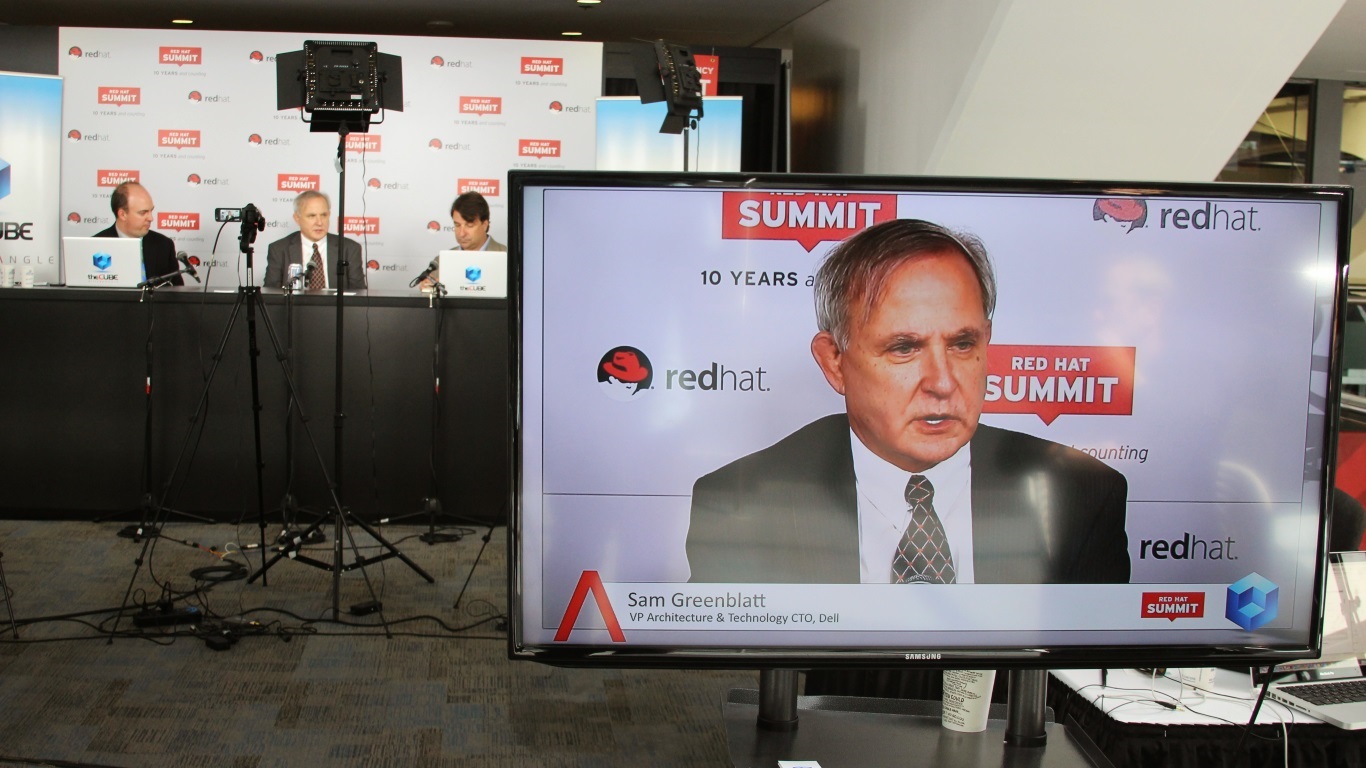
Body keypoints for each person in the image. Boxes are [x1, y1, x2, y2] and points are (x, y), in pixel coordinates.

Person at [685, 218, 1130, 584]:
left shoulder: (1080, 496)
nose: (942, 383)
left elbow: (1090, 667)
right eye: (904, 348)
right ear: (835, 361)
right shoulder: (739, 508)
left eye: (962, 344)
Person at [263, 190, 365, 290]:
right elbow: (271, 293)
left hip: (335, 302)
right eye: (312, 216)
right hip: (295, 302)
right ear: (297, 218)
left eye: (324, 215)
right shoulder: (279, 249)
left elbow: (359, 294)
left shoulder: (349, 249)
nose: (319, 222)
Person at [94, 182, 182, 286]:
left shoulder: (163, 245)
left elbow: (177, 290)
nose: (151, 218)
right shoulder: (96, 246)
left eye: (151, 211)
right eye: (143, 212)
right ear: (122, 214)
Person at [418, 191, 506, 291]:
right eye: (457, 225)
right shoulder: (441, 261)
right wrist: (427, 289)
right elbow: (431, 295)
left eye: (469, 225)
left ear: (485, 225)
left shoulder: (509, 257)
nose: (461, 233)